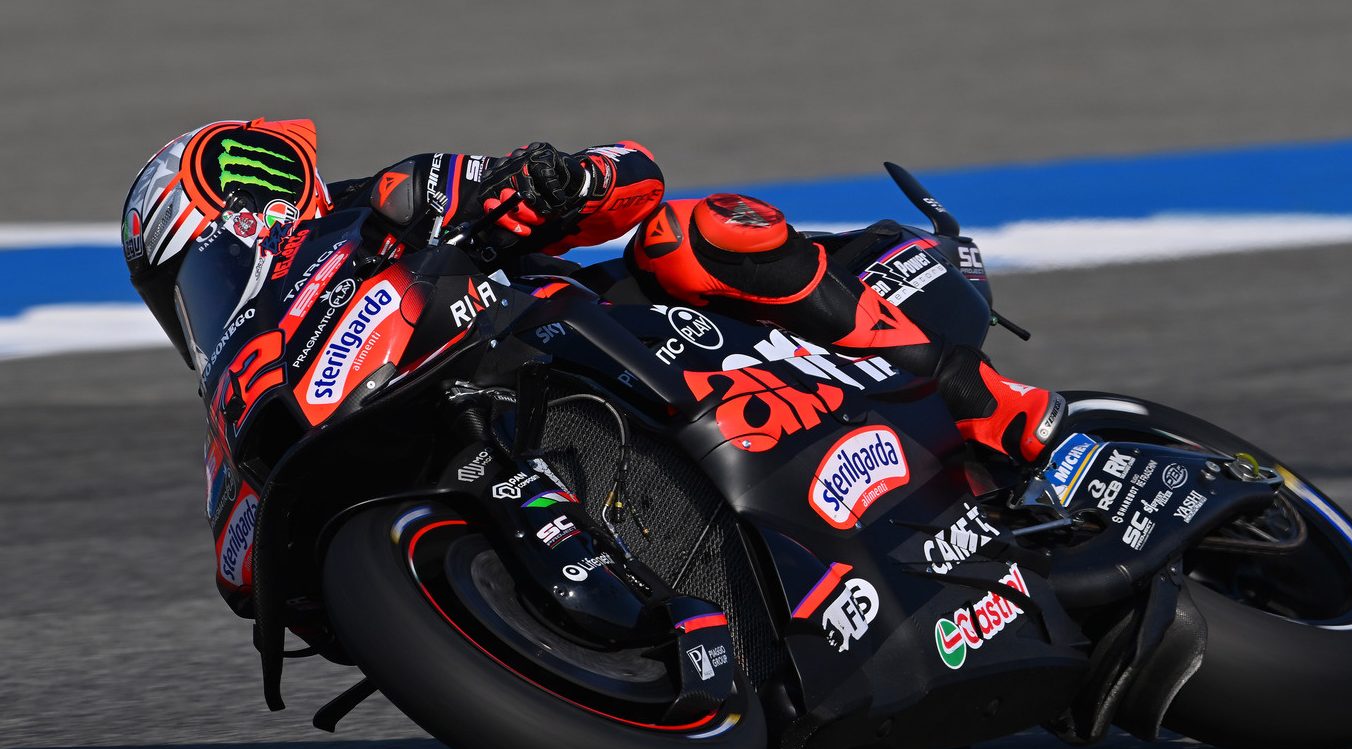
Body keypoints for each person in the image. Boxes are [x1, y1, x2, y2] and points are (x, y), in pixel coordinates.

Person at [123, 118, 1060, 463]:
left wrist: (555, 182)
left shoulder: (388, 205)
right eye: (190, 279)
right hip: (469, 422)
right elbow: (247, 577)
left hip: (622, 335)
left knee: (696, 232)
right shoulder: (252, 385)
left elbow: (634, 173)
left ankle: (987, 402)